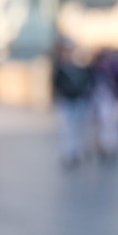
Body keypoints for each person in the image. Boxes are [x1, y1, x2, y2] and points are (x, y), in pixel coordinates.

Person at [51, 38, 94, 169]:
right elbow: (55, 84)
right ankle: (68, 153)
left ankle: (76, 152)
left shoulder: (80, 66)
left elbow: (87, 82)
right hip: (66, 100)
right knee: (67, 128)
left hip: (78, 100)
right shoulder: (60, 67)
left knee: (78, 128)